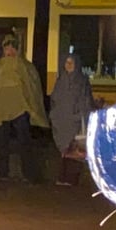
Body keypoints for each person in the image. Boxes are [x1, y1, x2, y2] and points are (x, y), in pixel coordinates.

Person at [0, 35, 49, 186]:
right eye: (6, 48)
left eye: (12, 47)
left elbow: (32, 87)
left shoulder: (25, 66)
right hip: (3, 110)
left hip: (21, 109)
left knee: (24, 142)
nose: (9, 51)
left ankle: (29, 174)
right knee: (3, 143)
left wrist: (31, 106)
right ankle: (2, 172)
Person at [49, 53, 94, 187]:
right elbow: (54, 99)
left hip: (75, 120)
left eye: (71, 63)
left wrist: (80, 115)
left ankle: (71, 178)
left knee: (74, 149)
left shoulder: (82, 81)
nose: (68, 66)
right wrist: (54, 114)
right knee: (63, 150)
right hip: (61, 120)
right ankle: (62, 177)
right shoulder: (60, 80)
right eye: (66, 63)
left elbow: (85, 100)